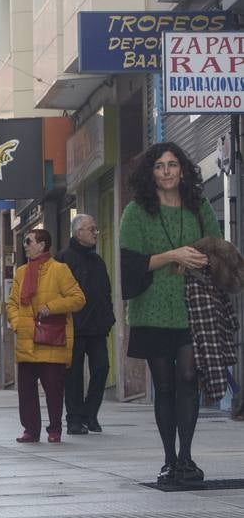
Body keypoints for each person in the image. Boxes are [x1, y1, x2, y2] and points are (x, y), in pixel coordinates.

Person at [120, 142, 220, 484]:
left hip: (193, 306)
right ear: (151, 172)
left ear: (182, 169)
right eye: (160, 165)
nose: (166, 171)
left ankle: (188, 457)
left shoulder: (199, 205)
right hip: (151, 310)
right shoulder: (136, 212)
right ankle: (169, 460)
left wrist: (200, 257)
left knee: (189, 378)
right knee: (163, 386)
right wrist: (174, 255)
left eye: (172, 164)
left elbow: (215, 248)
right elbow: (131, 265)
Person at [6, 228, 85, 445]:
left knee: (53, 390)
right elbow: (12, 303)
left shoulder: (60, 270)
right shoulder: (21, 272)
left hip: (52, 340)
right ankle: (31, 430)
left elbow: (78, 299)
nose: (25, 245)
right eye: (25, 241)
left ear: (42, 245)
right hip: (26, 340)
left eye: (29, 241)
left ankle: (55, 428)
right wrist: (17, 323)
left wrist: (52, 306)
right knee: (26, 392)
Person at [55, 214, 115, 435]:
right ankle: (74, 419)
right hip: (74, 326)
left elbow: (105, 291)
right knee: (73, 375)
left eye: (96, 229)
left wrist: (108, 317)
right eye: (92, 229)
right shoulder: (63, 259)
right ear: (78, 232)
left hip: (97, 327)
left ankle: (90, 413)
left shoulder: (97, 260)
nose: (95, 233)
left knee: (101, 368)